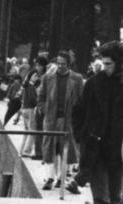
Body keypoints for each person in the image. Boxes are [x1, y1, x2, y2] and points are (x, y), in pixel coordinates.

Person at [72, 41, 123, 204]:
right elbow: (77, 111)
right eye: (103, 63)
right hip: (95, 150)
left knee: (114, 198)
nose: (104, 67)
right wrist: (81, 137)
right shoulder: (93, 83)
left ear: (120, 63)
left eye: (109, 64)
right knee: (102, 197)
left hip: (120, 152)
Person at [38, 51, 85, 191]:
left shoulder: (77, 79)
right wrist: (43, 108)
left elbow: (81, 101)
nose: (60, 66)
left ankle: (62, 178)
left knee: (66, 148)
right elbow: (41, 96)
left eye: (63, 64)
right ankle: (50, 177)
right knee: (49, 148)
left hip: (69, 119)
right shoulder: (48, 77)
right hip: (51, 118)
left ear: (68, 64)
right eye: (58, 63)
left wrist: (78, 118)